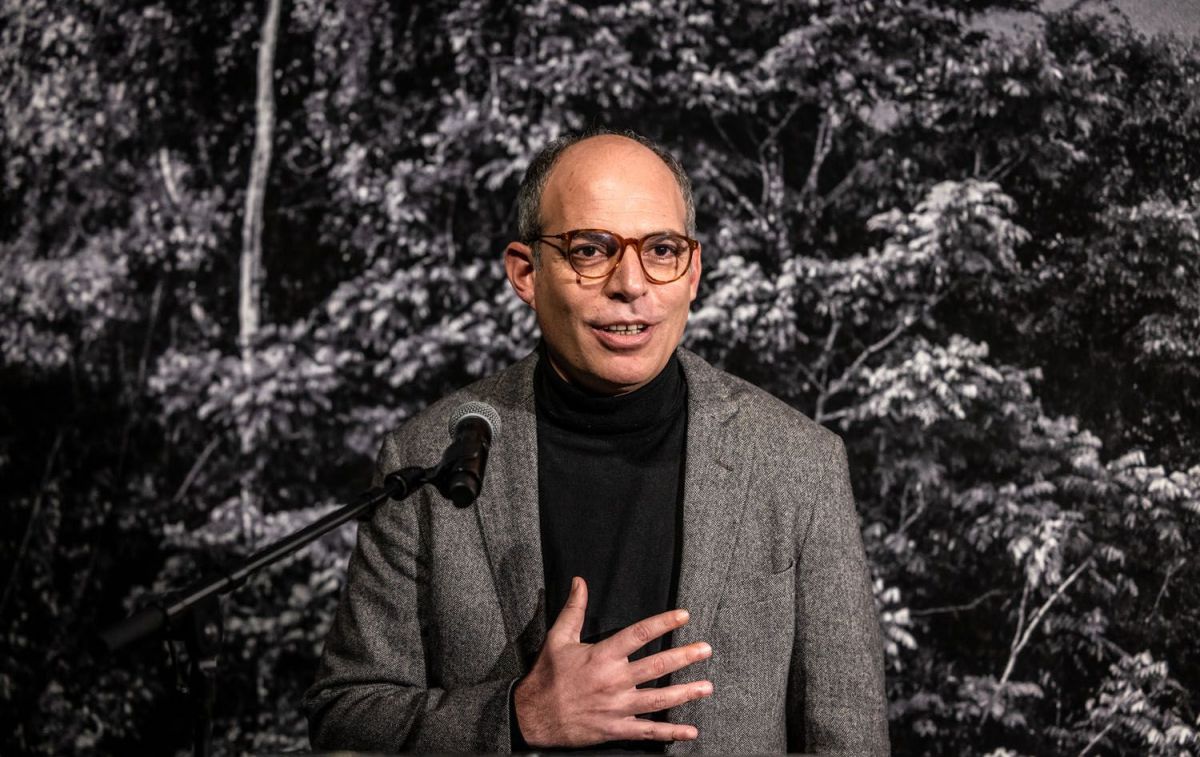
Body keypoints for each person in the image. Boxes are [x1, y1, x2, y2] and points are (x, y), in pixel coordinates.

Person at [303, 129, 889, 754]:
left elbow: (849, 737)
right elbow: (346, 713)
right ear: (526, 272)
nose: (631, 283)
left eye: (661, 249)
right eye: (591, 249)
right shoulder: (430, 458)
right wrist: (517, 717)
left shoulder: (798, 461)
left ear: (692, 272)